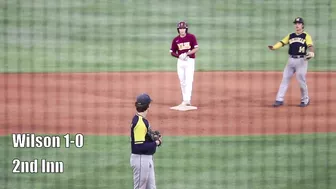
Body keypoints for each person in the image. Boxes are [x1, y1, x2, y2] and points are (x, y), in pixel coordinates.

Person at [268, 17, 315, 107]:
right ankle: (279, 99)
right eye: (296, 23)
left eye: (299, 23)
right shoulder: (291, 35)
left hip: (302, 61)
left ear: (302, 25)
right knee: (285, 79)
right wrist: (274, 47)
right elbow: (282, 42)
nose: (297, 25)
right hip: (291, 61)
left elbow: (310, 45)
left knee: (301, 81)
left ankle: (305, 100)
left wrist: (312, 52)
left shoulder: (306, 36)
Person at [130, 93, 162, 189]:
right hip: (140, 159)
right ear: (148, 106)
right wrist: (156, 143)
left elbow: (144, 138)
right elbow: (139, 147)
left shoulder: (141, 120)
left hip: (146, 158)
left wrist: (152, 135)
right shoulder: (140, 123)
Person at [170, 21, 199, 106]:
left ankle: (187, 100)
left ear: (186, 29)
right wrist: (179, 56)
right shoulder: (176, 40)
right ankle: (184, 99)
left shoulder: (191, 37)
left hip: (190, 61)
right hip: (180, 62)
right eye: (180, 29)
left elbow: (196, 48)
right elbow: (172, 52)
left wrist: (186, 54)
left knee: (189, 80)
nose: (182, 30)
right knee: (182, 81)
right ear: (178, 30)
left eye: (183, 28)